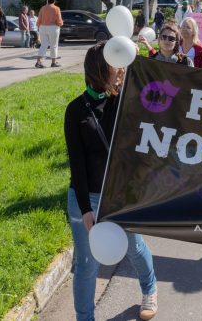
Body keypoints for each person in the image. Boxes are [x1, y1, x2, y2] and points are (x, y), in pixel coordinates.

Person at [64, 41, 158, 321]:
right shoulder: (75, 110)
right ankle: (85, 318)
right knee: (86, 264)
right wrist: (85, 209)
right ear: (100, 68)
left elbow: (152, 100)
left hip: (120, 195)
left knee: (134, 247)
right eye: (114, 64)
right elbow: (77, 166)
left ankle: (150, 288)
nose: (119, 69)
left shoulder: (124, 101)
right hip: (86, 198)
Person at [36, 0, 63, 68]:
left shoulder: (43, 8)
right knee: (54, 45)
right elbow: (59, 21)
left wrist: (38, 27)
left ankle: (38, 62)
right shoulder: (56, 8)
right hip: (53, 28)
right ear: (54, 0)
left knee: (43, 45)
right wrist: (61, 24)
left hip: (42, 27)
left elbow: (38, 20)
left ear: (48, 0)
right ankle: (53, 62)